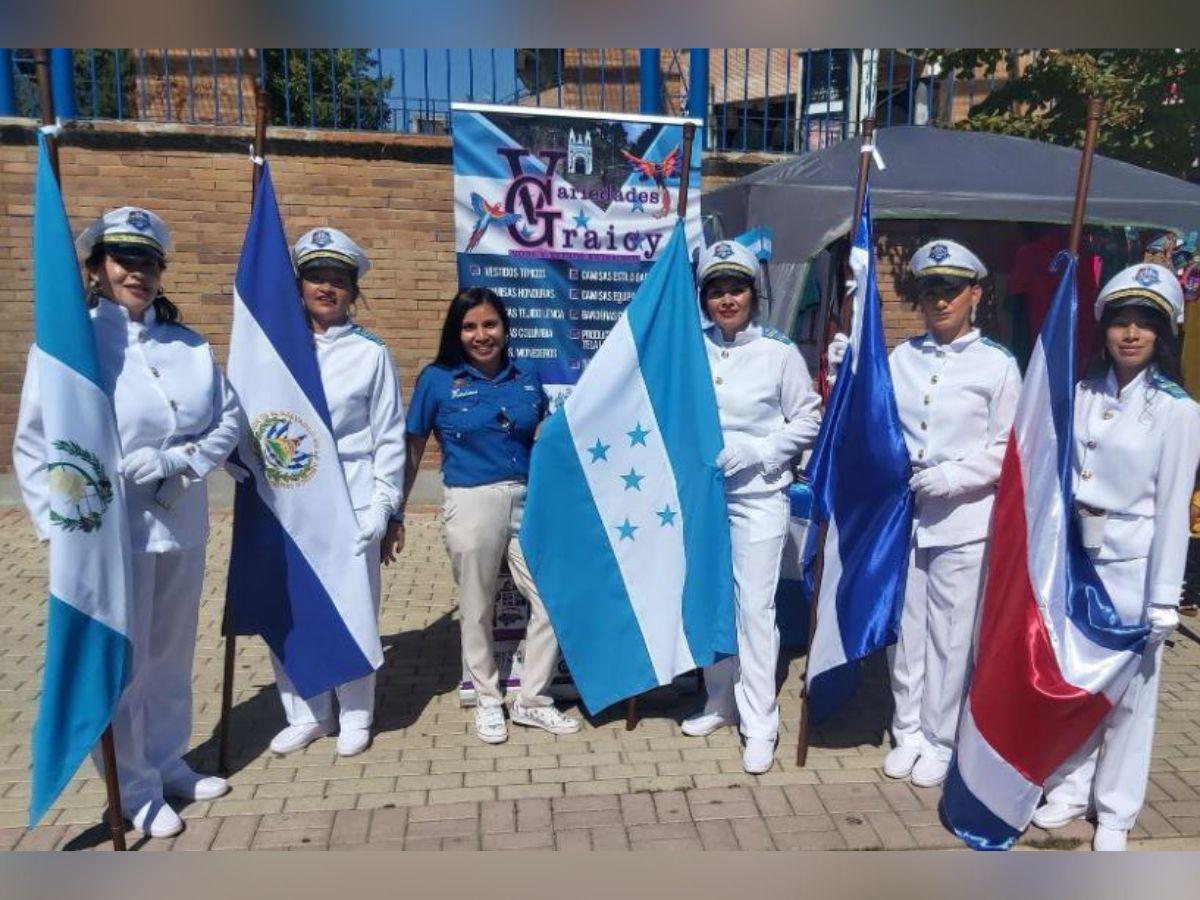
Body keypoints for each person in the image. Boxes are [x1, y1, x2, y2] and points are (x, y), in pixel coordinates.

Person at [13, 207, 240, 838]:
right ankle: (133, 787)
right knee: (124, 660)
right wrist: (60, 529)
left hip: (181, 524)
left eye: (147, 261)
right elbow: (35, 444)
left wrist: (180, 456)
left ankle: (168, 760)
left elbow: (228, 420)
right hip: (110, 537)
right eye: (122, 259)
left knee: (170, 654)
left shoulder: (189, 347)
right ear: (95, 267)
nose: (136, 272)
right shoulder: (71, 345)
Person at [830, 239, 1021, 788]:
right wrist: (850, 376)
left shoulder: (998, 366)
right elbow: (871, 419)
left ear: (975, 295)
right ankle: (907, 728)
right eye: (930, 290)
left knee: (951, 635)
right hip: (903, 516)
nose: (940, 301)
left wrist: (955, 475)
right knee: (907, 631)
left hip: (963, 519)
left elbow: (1011, 447)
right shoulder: (901, 357)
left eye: (951, 290)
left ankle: (941, 737)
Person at [1031, 263, 1200, 851]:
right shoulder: (1083, 392)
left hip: (1134, 565)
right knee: (1078, 682)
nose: (1130, 334)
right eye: (1120, 322)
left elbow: (1175, 508)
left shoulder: (1177, 409)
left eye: (1144, 324)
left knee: (1131, 696)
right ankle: (1071, 787)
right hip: (1078, 559)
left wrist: (1163, 599)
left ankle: (1118, 808)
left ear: (1163, 333)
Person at [400, 287, 581, 744]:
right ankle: (487, 698)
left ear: (505, 327)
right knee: (477, 605)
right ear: (456, 332)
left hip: (527, 499)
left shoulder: (527, 376)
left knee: (551, 598)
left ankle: (531, 700)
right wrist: (395, 512)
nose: (481, 335)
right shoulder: (437, 380)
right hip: (471, 499)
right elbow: (414, 449)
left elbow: (541, 437)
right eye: (470, 326)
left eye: (490, 324)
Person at [680, 240, 822, 775]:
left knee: (755, 610)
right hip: (705, 497)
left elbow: (808, 419)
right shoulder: (693, 346)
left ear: (753, 294)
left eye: (735, 288)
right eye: (715, 290)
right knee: (710, 598)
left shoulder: (779, 352)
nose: (726, 299)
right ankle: (719, 698)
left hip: (758, 495)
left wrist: (760, 451)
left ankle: (760, 719)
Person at [266, 228, 407, 759]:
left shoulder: (370, 354)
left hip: (351, 497)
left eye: (339, 280)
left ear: (353, 291)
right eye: (317, 277)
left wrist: (384, 505)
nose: (327, 287)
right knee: (291, 607)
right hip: (289, 497)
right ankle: (307, 712)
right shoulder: (274, 348)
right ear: (298, 284)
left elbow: (389, 435)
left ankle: (355, 713)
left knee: (354, 607)